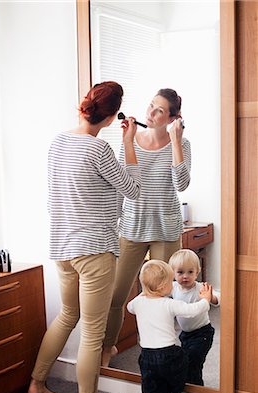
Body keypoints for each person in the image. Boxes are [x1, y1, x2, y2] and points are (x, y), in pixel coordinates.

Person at [28, 81, 141, 393]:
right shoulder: (99, 150)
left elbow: (53, 196)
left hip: (62, 246)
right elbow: (133, 189)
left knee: (67, 315)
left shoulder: (58, 142)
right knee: (93, 331)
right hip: (93, 250)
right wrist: (128, 142)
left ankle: (36, 382)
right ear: (109, 119)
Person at [102, 88, 191, 366]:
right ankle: (107, 348)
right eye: (150, 106)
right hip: (132, 228)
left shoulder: (182, 144)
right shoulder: (131, 140)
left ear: (173, 118)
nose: (150, 114)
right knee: (116, 294)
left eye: (159, 111)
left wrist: (176, 141)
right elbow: (123, 187)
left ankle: (162, 354)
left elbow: (182, 185)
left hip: (165, 229)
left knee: (162, 299)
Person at [127, 259, 211, 393]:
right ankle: (173, 391)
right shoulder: (169, 303)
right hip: (169, 354)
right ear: (162, 287)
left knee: (150, 389)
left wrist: (143, 292)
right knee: (183, 364)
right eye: (170, 282)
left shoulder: (137, 302)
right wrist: (205, 299)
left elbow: (129, 307)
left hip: (146, 356)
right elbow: (192, 310)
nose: (173, 285)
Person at [169, 249, 220, 386]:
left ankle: (197, 389)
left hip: (202, 333)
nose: (185, 276)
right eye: (180, 272)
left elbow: (218, 298)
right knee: (186, 361)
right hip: (185, 334)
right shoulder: (173, 287)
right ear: (173, 273)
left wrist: (210, 297)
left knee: (194, 362)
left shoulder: (200, 288)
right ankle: (189, 384)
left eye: (190, 272)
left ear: (197, 272)